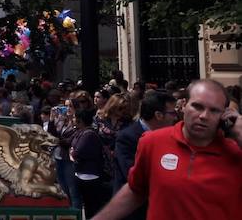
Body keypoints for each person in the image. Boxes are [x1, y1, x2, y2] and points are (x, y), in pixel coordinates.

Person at [92, 79, 242, 220]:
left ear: (224, 115)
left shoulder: (235, 151)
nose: (204, 116)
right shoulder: (152, 142)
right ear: (183, 105)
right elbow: (135, 190)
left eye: (214, 111)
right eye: (197, 106)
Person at [111, 89, 176, 220]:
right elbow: (132, 174)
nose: (176, 116)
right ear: (158, 115)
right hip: (136, 211)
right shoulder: (127, 137)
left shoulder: (172, 135)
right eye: (172, 113)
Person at [70, 108, 109, 218]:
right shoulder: (79, 132)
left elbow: (78, 152)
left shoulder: (89, 134)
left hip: (90, 176)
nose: (72, 120)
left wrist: (73, 153)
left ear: (80, 120)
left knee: (92, 207)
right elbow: (70, 145)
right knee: (86, 206)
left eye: (74, 118)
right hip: (80, 173)